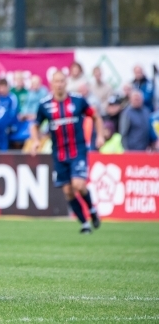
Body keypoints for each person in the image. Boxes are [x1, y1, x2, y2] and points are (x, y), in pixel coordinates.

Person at [30, 70, 104, 234]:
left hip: (78, 150)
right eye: (56, 81)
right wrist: (35, 141)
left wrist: (99, 136)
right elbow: (35, 124)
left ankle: (91, 210)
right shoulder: (45, 104)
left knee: (79, 184)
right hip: (59, 153)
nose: (59, 84)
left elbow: (96, 116)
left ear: (66, 83)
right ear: (52, 84)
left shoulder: (78, 101)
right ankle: (84, 223)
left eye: (62, 81)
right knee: (68, 191)